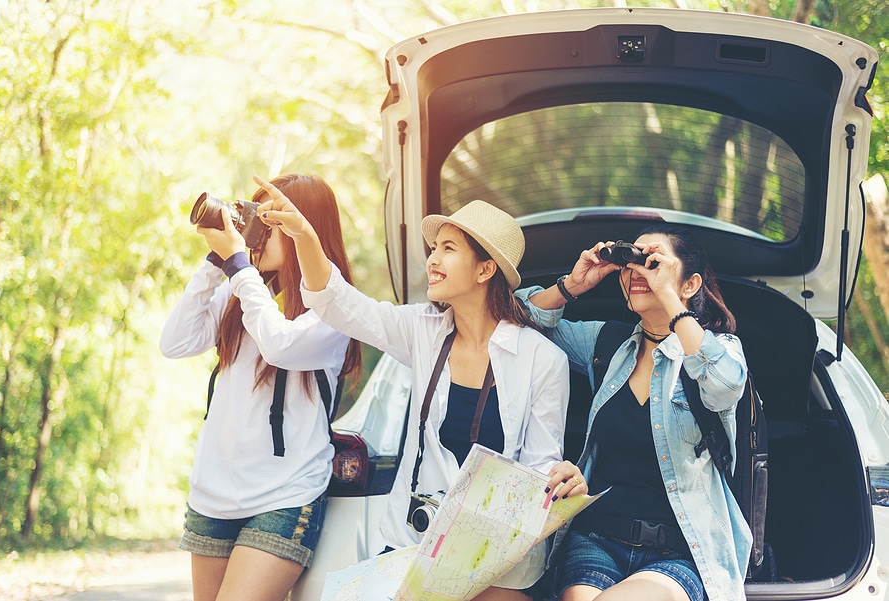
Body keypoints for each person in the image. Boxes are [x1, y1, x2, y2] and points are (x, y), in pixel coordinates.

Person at [252, 173, 584, 601]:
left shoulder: (544, 360)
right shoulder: (421, 330)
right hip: (413, 542)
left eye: (448, 249)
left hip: (498, 559)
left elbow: (539, 471)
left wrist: (561, 482)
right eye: (433, 249)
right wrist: (303, 235)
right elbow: (339, 302)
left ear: (486, 269)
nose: (432, 260)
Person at [516, 224, 751, 601]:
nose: (637, 270)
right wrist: (572, 285)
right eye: (631, 261)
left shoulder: (718, 350)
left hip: (680, 552)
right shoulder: (606, 344)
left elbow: (724, 384)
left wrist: (670, 300)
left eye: (652, 260)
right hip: (597, 540)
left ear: (689, 285)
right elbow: (516, 321)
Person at [159, 174, 362, 601]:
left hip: (283, 497)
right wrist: (217, 262)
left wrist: (239, 266)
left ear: (305, 228)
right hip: (213, 494)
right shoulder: (246, 295)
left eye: (270, 221)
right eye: (256, 219)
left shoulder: (333, 303)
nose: (259, 232)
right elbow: (174, 342)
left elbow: (279, 345)